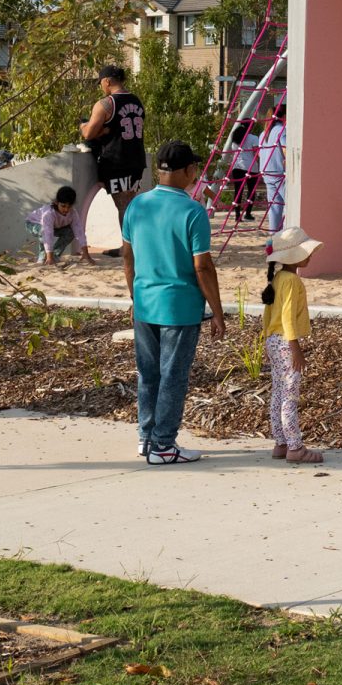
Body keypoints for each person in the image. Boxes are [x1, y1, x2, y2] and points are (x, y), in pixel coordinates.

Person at [121, 141, 228, 464]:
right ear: (187, 171)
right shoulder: (193, 211)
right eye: (193, 168)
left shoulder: (137, 206)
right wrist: (218, 312)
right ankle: (164, 445)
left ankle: (147, 437)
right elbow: (203, 266)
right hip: (179, 306)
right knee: (173, 376)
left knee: (148, 373)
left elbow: (128, 257)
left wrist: (134, 294)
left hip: (146, 302)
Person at [261, 225, 324, 464]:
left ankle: (281, 442)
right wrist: (295, 347)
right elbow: (287, 316)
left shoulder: (277, 278)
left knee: (278, 392)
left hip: (274, 341)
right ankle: (295, 447)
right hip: (286, 343)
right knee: (289, 396)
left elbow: (269, 315)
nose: (310, 255)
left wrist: (267, 342)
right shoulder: (292, 281)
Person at [81, 64, 146, 252]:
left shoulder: (105, 104)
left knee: (123, 206)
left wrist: (82, 126)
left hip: (117, 161)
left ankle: (128, 248)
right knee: (129, 205)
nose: (101, 86)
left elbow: (88, 134)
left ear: (107, 81)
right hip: (136, 159)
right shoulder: (137, 101)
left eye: (101, 82)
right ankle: (130, 245)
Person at [27, 185, 90, 265]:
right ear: (56, 202)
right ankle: (43, 258)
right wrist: (49, 258)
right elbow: (47, 234)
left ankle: (55, 256)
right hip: (33, 223)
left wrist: (86, 253)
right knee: (43, 231)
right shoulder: (49, 213)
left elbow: (79, 232)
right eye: (63, 206)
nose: (66, 209)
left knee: (70, 232)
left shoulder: (73, 213)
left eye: (69, 206)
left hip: (54, 226)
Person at [226, 119, 260, 224]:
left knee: (238, 192)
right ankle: (248, 213)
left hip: (237, 167)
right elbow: (255, 153)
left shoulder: (235, 136)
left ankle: (237, 215)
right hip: (250, 168)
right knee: (251, 191)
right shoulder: (254, 138)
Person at [259, 104, 287, 232]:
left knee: (274, 206)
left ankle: (273, 236)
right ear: (284, 116)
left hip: (266, 172)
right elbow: (286, 150)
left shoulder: (264, 133)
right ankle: (286, 234)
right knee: (290, 203)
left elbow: (260, 154)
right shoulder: (281, 129)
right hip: (278, 172)